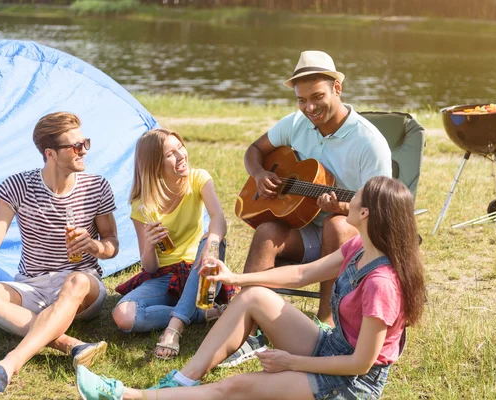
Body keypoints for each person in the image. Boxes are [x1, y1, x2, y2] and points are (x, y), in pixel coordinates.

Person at [76, 176, 426, 400]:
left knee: (235, 387)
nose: (346, 199)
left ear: (366, 214)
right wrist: (236, 279)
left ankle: (126, 396)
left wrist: (293, 362)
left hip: (350, 385)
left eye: (356, 196)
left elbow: (361, 365)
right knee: (255, 297)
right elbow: (301, 275)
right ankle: (181, 381)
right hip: (331, 348)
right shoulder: (358, 249)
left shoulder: (382, 284)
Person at [225, 50, 393, 366]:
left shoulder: (369, 143)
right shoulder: (296, 123)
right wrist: (260, 174)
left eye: (317, 97)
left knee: (337, 225)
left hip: (351, 242)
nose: (309, 108)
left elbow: (382, 210)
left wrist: (344, 206)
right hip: (305, 231)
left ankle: (325, 322)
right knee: (267, 230)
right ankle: (245, 326)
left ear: (337, 89)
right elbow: (254, 151)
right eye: (301, 100)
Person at [0, 112, 119, 397]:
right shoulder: (17, 187)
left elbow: (112, 244)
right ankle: (71, 345)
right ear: (50, 153)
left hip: (81, 286)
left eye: (85, 142)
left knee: (77, 282)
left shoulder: (97, 186)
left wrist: (94, 246)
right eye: (75, 146)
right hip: (31, 284)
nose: (83, 150)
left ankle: (9, 365)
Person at [111, 128, 228, 360]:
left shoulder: (198, 179)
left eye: (180, 147)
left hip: (200, 271)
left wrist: (211, 239)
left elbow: (219, 218)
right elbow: (150, 268)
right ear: (155, 164)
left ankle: (174, 328)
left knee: (212, 241)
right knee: (122, 315)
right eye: (170, 154)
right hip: (164, 277)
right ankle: (200, 315)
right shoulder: (142, 204)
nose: (181, 155)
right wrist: (150, 246)